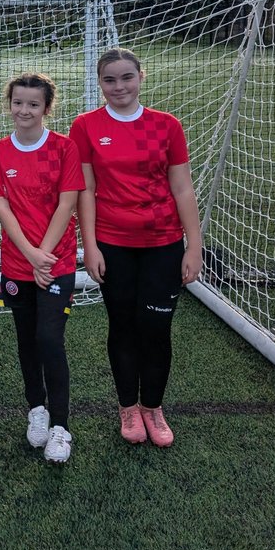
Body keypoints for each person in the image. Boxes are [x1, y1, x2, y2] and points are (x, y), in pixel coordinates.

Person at [69, 48, 202, 447]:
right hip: (113, 244)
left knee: (156, 329)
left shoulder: (166, 125)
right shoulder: (86, 126)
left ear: (141, 77)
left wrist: (194, 245)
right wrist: (90, 246)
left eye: (127, 77)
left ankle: (152, 407)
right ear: (100, 83)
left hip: (163, 243)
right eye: (109, 79)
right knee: (123, 327)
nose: (119, 86)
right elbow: (86, 190)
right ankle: (128, 407)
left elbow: (182, 188)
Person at [0, 72, 84, 464]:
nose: (24, 110)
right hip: (18, 263)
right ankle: (37, 410)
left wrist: (43, 256)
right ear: (9, 104)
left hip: (56, 262)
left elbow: (67, 203)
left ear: (46, 108)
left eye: (33, 104)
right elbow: (1, 206)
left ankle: (61, 426)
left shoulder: (64, 147)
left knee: (49, 339)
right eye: (18, 102)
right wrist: (30, 255)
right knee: (27, 340)